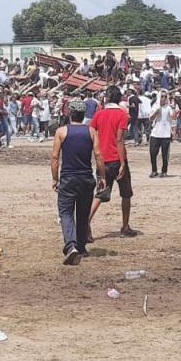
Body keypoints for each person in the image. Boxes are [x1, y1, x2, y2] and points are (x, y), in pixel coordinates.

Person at [51, 99, 102, 265]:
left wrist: (55, 178)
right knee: (82, 213)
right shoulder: (91, 131)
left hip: (68, 178)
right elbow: (99, 155)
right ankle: (81, 247)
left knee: (65, 212)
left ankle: (71, 244)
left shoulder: (61, 132)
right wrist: (102, 177)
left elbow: (55, 158)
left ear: (70, 113)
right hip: (86, 178)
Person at [90, 85, 138, 237]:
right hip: (116, 158)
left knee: (100, 193)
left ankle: (84, 223)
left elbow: (92, 133)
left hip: (102, 158)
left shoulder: (99, 114)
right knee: (126, 193)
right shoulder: (122, 115)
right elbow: (119, 139)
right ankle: (125, 226)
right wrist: (123, 162)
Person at [148, 91, 174, 178]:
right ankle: (154, 170)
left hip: (165, 134)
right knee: (153, 153)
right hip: (155, 133)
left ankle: (164, 171)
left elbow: (173, 117)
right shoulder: (155, 106)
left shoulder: (169, 108)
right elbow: (151, 118)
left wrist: (176, 111)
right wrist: (156, 113)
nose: (164, 98)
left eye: (165, 97)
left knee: (165, 154)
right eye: (162, 96)